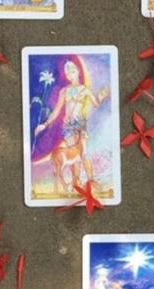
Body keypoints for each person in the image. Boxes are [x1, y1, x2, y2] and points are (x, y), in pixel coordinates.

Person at [34, 59, 109, 195]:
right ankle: (76, 183)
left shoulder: (85, 90)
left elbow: (96, 104)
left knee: (83, 153)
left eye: (72, 71)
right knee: (73, 155)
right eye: (67, 73)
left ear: (78, 71)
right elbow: (57, 111)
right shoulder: (64, 91)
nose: (70, 74)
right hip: (68, 126)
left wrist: (101, 97)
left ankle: (91, 181)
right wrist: (45, 124)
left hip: (80, 125)